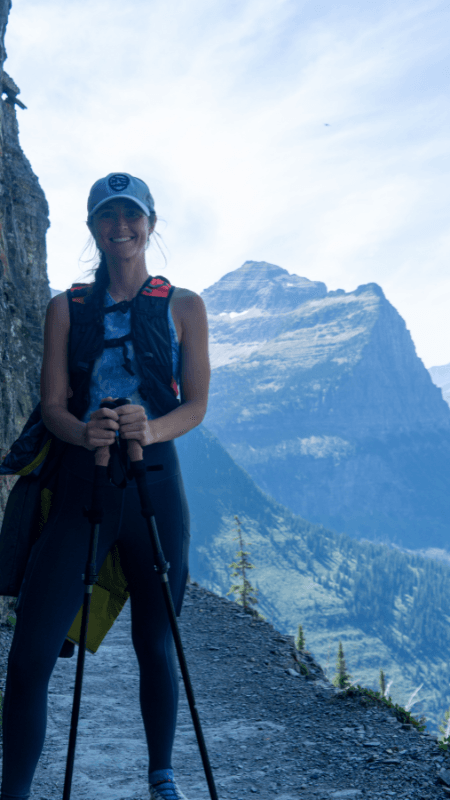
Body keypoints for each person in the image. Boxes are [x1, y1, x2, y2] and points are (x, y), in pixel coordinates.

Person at [0, 173, 210, 800]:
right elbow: (53, 407)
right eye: (108, 217)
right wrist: (83, 428)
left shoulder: (186, 306)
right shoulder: (67, 308)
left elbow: (195, 406)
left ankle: (162, 778)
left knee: (156, 637)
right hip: (81, 483)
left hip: (155, 479)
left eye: (132, 215)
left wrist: (150, 422)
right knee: (31, 650)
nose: (121, 227)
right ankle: (13, 791)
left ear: (151, 222)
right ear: (93, 227)